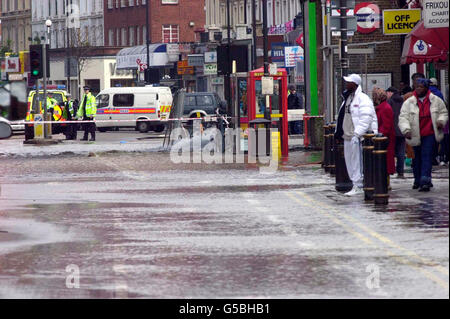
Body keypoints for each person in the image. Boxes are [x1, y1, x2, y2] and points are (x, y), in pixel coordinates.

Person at [399, 78, 448, 192]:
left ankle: (425, 180)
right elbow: (403, 117)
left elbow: (443, 113)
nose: (419, 89)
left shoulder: (436, 100)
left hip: (430, 133)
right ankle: (417, 179)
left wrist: (441, 121)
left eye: (421, 87)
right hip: (415, 133)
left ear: (426, 88)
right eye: (417, 87)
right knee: (417, 158)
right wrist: (406, 130)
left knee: (426, 156)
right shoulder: (409, 102)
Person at [335, 74, 378, 196]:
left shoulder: (363, 99)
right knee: (350, 162)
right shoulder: (348, 98)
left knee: (357, 162)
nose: (346, 84)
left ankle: (358, 185)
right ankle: (355, 184)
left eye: (349, 82)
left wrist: (357, 134)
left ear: (355, 84)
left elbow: (366, 118)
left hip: (357, 137)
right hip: (348, 136)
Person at [373, 87, 396, 188]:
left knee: (384, 161)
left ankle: (386, 183)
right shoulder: (382, 107)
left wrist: (379, 135)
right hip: (384, 139)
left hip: (385, 140)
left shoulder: (384, 108)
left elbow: (386, 125)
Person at [387, 86, 406, 178]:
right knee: (401, 152)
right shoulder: (403, 101)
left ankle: (391, 170)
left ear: (391, 93)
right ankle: (401, 172)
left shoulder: (390, 102)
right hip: (402, 129)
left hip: (393, 130)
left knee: (391, 151)